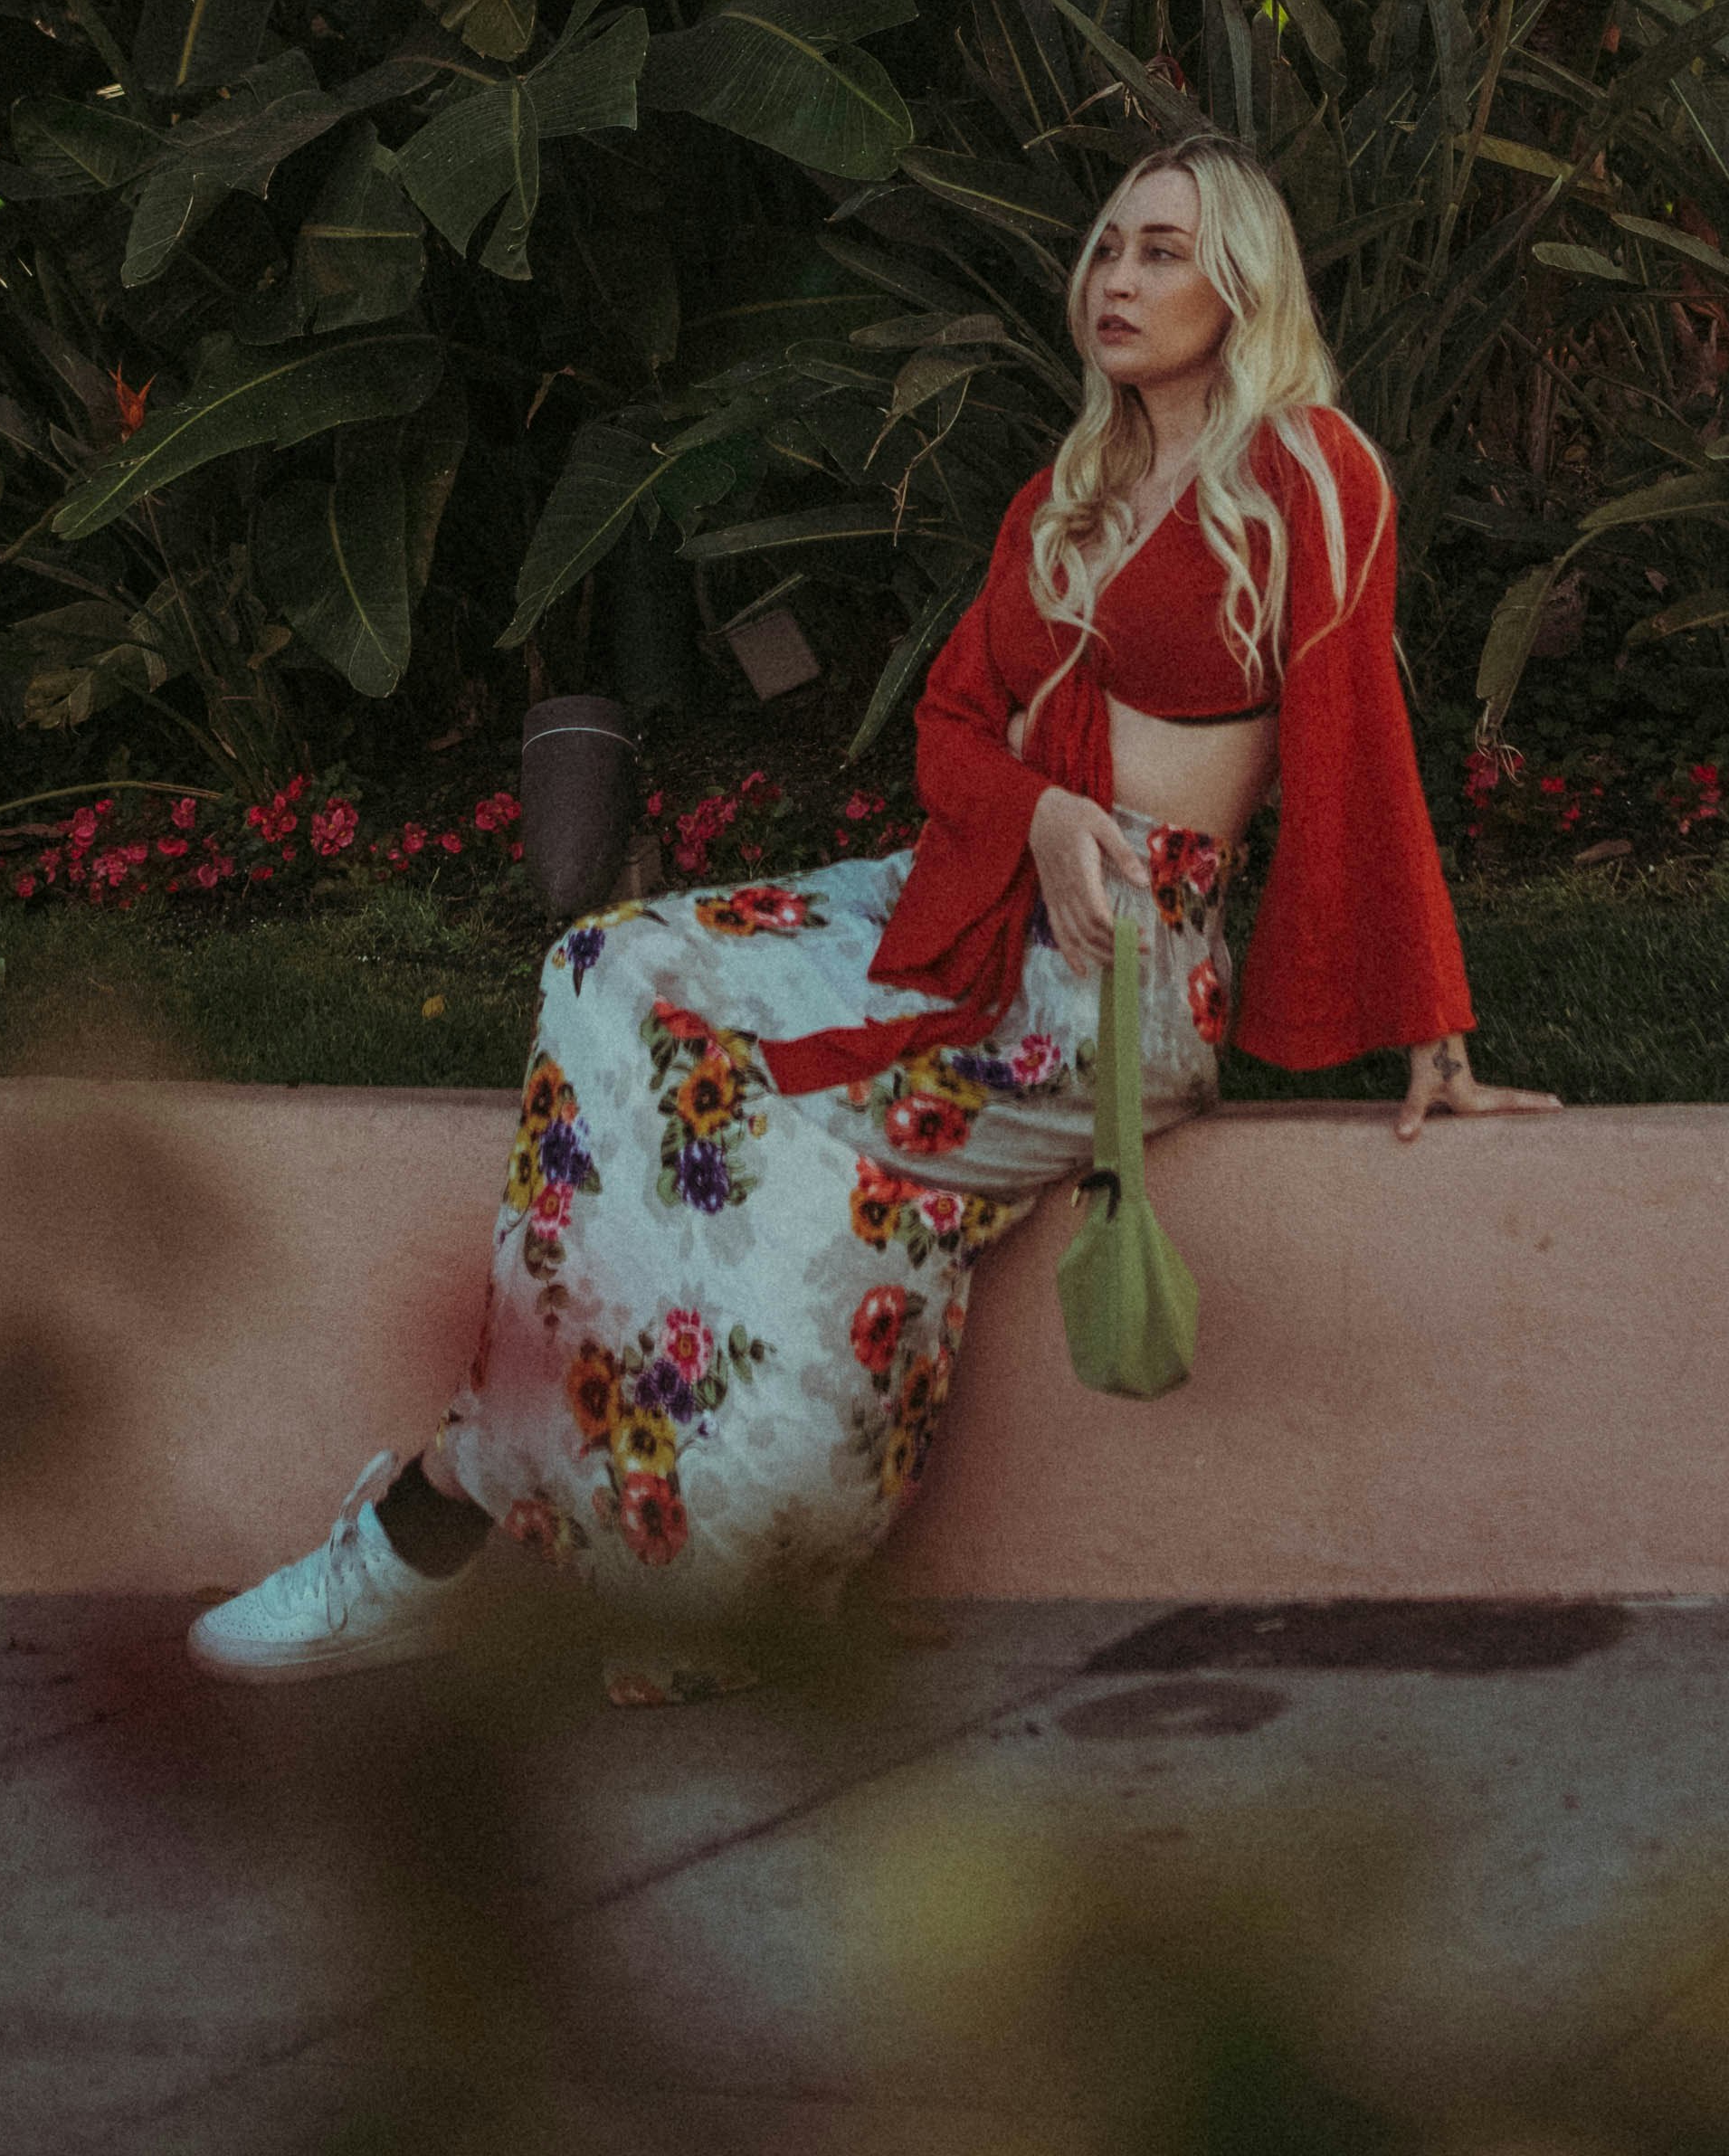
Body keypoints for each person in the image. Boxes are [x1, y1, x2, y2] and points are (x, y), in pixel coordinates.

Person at [189, 135, 1553, 1676]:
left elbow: (1357, 725)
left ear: (1244, 277)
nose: (1118, 277)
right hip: (962, 896)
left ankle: (455, 1528)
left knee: (759, 1161)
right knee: (608, 970)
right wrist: (1037, 812)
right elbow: (951, 730)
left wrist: (1427, 1017)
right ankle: (651, 1562)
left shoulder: (1306, 466)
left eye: (1163, 249)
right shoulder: (1067, 488)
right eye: (1107, 247)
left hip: (1113, 970)